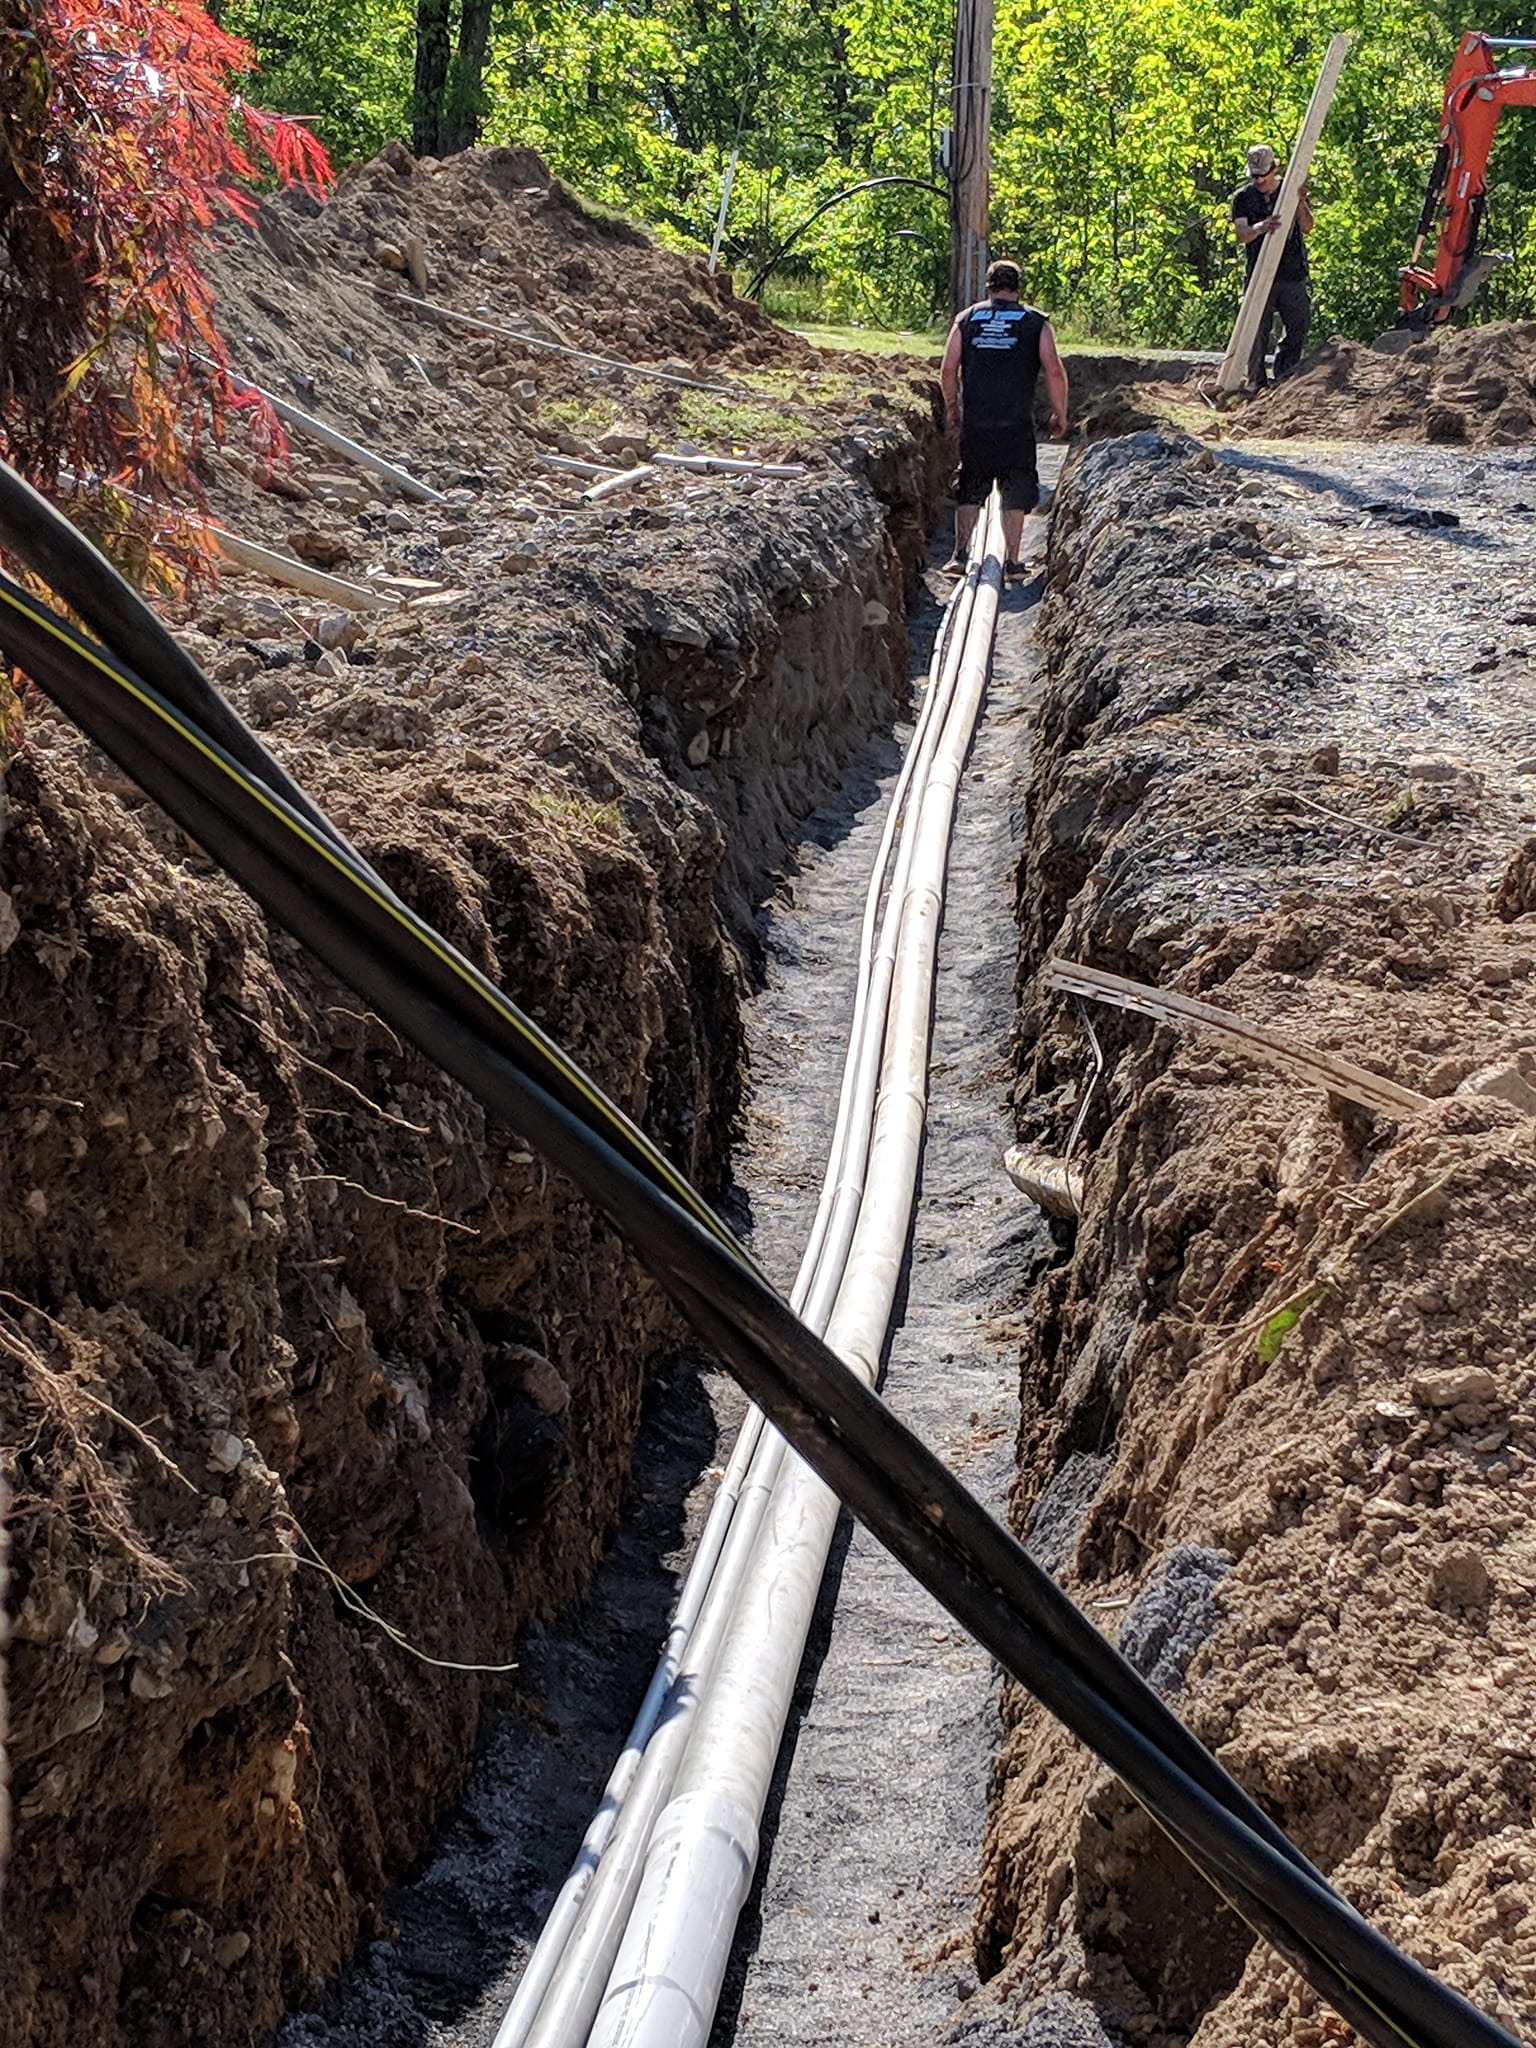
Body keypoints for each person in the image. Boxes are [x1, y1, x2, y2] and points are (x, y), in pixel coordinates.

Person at [939, 258, 1069, 576]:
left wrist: (952, 406)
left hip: (977, 422)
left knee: (971, 485)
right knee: (1016, 489)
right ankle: (1011, 560)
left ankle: (959, 555)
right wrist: (1060, 413)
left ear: (989, 286)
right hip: (1016, 424)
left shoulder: (967, 319)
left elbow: (948, 368)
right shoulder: (1036, 322)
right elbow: (1054, 370)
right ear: (1018, 288)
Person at [1230, 143, 1313, 390]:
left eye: (1263, 175)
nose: (1259, 181)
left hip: (1292, 273)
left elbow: (1307, 226)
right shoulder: (1243, 198)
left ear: (1274, 169)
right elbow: (1242, 233)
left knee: (1298, 326)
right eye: (1254, 176)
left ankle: (1285, 377)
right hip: (1259, 274)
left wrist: (1300, 203)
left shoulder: (1289, 192)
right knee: (1256, 331)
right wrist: (1261, 227)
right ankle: (1256, 382)